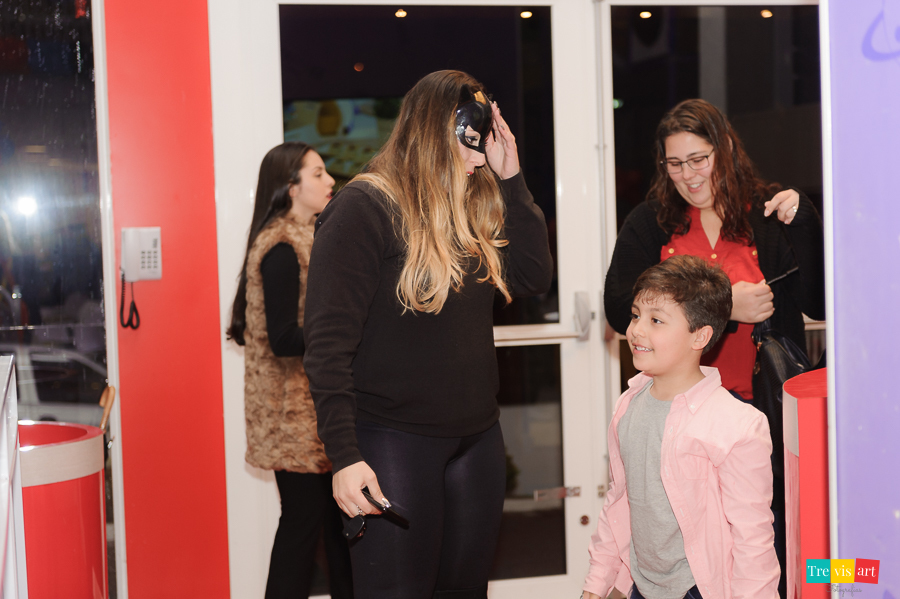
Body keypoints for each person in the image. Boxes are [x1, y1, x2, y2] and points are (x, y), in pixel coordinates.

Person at [302, 70, 553, 599]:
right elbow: (327, 349)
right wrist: (344, 457)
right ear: (435, 131)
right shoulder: (363, 209)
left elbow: (533, 276)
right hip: (392, 439)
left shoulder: (469, 206)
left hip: (476, 438)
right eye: (472, 143)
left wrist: (512, 179)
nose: (480, 159)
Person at [604, 99, 825, 597]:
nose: (688, 174)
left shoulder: (768, 213)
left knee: (766, 532)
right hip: (682, 414)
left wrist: (805, 218)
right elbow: (620, 308)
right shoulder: (650, 222)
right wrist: (729, 305)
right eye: (674, 163)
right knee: (684, 536)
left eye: (699, 158)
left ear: (724, 149)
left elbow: (819, 300)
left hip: (761, 407)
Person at [583, 255, 780, 599]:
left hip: (699, 589)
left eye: (656, 320)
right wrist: (596, 585)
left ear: (699, 337)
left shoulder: (737, 425)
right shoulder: (628, 404)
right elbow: (617, 503)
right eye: (635, 315)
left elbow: (753, 538)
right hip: (640, 585)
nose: (636, 330)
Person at [226, 142, 353, 599]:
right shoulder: (281, 245)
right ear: (290, 186)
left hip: (311, 415)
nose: (330, 181)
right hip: (290, 420)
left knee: (340, 528)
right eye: (318, 173)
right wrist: (344, 332)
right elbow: (282, 339)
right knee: (302, 531)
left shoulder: (307, 235)